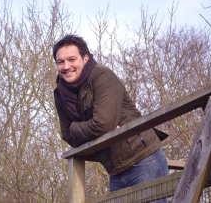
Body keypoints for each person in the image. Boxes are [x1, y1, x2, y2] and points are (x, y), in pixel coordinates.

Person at [53, 34, 168, 196]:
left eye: (72, 59)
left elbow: (102, 124)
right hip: (114, 169)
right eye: (60, 62)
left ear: (85, 58)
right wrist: (89, 130)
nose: (66, 66)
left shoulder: (102, 76)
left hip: (144, 159)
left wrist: (76, 127)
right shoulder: (60, 93)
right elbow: (67, 135)